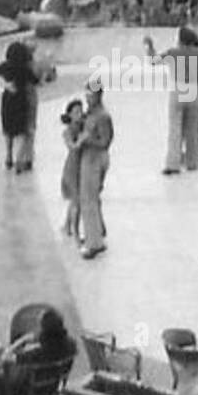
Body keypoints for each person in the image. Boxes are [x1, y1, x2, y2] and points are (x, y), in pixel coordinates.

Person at [145, 26, 198, 174]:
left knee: (175, 129)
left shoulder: (173, 53)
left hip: (178, 90)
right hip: (193, 91)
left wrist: (150, 46)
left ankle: (173, 164)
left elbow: (153, 60)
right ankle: (192, 162)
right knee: (192, 130)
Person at [78, 79, 114, 260]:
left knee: (88, 200)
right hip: (88, 157)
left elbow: (105, 142)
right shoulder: (89, 115)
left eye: (90, 95)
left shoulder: (102, 116)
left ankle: (93, 243)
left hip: (95, 158)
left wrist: (87, 140)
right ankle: (97, 230)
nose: (87, 99)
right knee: (92, 197)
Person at [0, 39, 40, 172]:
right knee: (21, 132)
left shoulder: (4, 66)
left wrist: (6, 85)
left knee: (8, 131)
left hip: (7, 100)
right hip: (21, 100)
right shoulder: (25, 69)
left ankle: (8, 156)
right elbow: (36, 81)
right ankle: (19, 160)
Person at [60, 98, 85, 240]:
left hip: (82, 166)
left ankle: (67, 226)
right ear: (69, 114)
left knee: (75, 200)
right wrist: (81, 139)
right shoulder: (67, 131)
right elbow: (72, 146)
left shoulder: (84, 126)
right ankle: (75, 232)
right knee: (76, 200)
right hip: (72, 168)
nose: (79, 114)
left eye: (81, 111)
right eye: (76, 112)